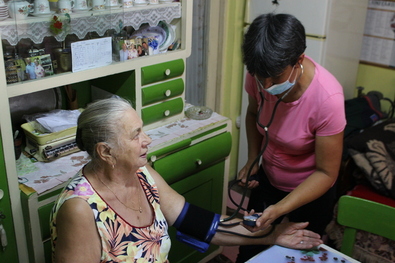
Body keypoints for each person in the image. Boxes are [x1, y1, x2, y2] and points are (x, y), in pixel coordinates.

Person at [50, 97, 323, 262]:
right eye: (135, 135)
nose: (147, 140)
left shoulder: (143, 176)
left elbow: (200, 224)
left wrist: (272, 235)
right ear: (105, 152)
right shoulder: (80, 209)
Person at [236, 13, 346, 262]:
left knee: (296, 256)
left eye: (275, 77)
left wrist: (281, 209)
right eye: (259, 77)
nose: (265, 85)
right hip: (269, 180)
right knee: (249, 249)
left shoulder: (328, 99)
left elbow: (327, 173)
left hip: (310, 192)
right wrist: (253, 159)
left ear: (299, 61)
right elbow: (253, 113)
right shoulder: (259, 74)